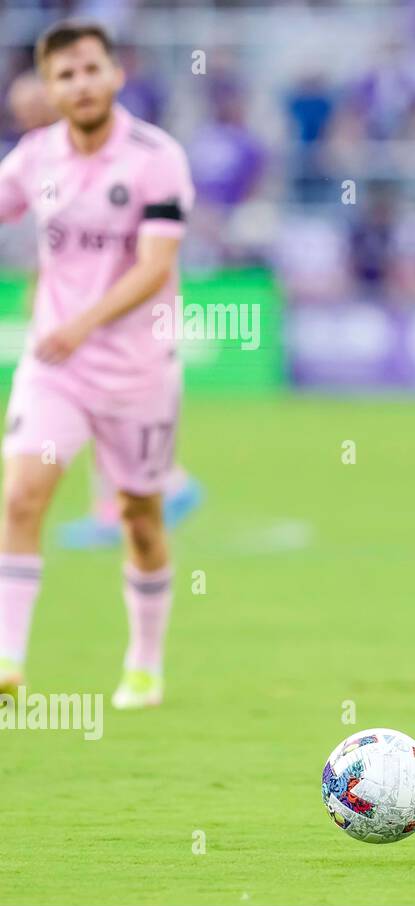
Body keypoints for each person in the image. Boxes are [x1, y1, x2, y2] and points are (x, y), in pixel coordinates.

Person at [0, 20, 194, 710]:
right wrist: (62, 328)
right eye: (64, 75)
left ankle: (144, 663)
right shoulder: (34, 157)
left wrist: (78, 323)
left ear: (114, 75)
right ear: (47, 89)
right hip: (56, 369)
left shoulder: (155, 157)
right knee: (22, 494)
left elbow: (155, 268)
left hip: (137, 372)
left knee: (140, 516)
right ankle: (7, 660)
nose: (79, 85)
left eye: (90, 70)